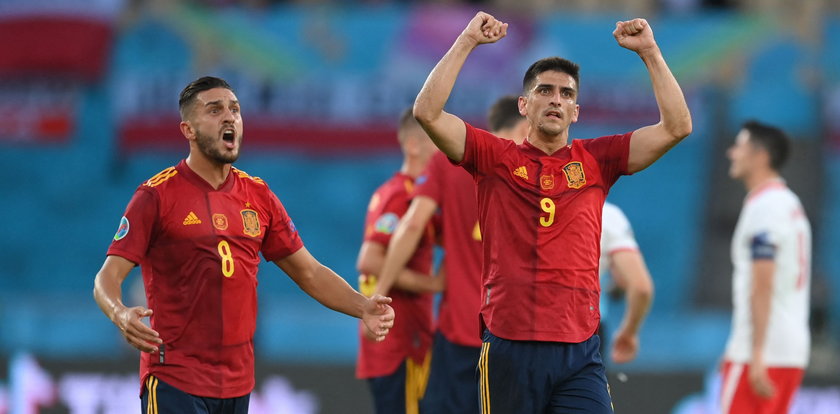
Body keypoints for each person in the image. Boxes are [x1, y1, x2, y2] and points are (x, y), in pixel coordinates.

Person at [412, 12, 692, 413]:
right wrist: (466, 41)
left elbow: (677, 127)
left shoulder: (598, 159)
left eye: (566, 94)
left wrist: (649, 52)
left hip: (579, 349)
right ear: (524, 105)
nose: (556, 99)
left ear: (576, 111)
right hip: (510, 344)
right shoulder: (494, 156)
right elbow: (428, 113)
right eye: (545, 91)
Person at [92, 76, 395, 413]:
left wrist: (363, 307)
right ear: (188, 130)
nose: (229, 117)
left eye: (235, 110)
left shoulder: (258, 195)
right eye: (215, 110)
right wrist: (120, 313)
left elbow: (308, 272)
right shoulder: (155, 196)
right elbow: (106, 278)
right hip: (175, 378)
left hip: (237, 385)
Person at [373, 95, 528, 414]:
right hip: (515, 333)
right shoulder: (537, 170)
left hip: (459, 329)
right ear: (525, 126)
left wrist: (380, 291)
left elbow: (413, 224)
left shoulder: (450, 161)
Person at [720, 120, 811, 414]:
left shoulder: (766, 207)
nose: (731, 153)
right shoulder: (789, 203)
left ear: (760, 155)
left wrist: (757, 351)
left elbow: (763, 282)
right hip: (791, 350)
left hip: (760, 352)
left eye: (739, 146)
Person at [355, 108, 441, 414]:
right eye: (436, 139)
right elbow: (369, 260)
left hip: (403, 341)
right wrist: (429, 283)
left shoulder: (413, 194)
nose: (444, 148)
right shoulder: (401, 196)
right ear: (413, 145)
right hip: (400, 342)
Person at [599, 202, 654, 365]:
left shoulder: (523, 206)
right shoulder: (607, 214)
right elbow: (640, 287)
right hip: (582, 331)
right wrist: (629, 331)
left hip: (522, 327)